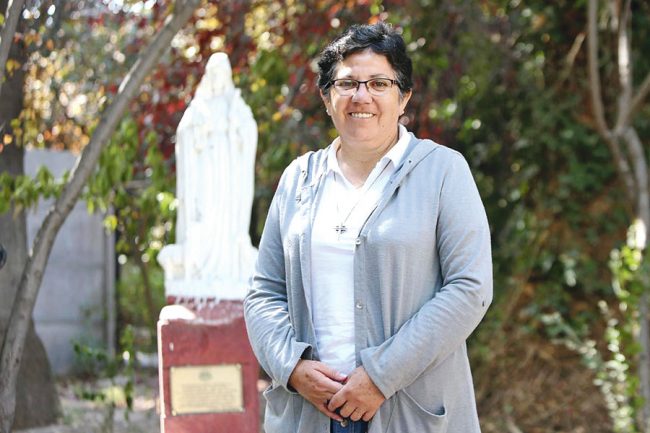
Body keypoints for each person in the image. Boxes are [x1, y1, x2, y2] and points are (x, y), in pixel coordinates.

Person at [244, 22, 492, 433]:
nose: (362, 96)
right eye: (346, 83)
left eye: (379, 83)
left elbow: (470, 288)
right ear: (327, 98)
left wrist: (380, 376)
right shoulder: (298, 179)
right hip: (311, 411)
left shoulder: (443, 172)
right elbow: (264, 291)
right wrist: (292, 367)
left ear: (403, 96)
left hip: (409, 410)